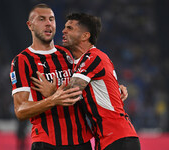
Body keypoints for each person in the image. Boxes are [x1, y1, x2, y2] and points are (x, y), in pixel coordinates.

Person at [32, 13, 140, 150]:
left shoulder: (93, 57)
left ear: (85, 36)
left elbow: (71, 93)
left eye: (70, 28)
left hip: (118, 138)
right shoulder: (84, 62)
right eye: (65, 27)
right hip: (106, 139)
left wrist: (52, 91)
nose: (63, 31)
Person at [10, 4, 94, 150]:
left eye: (51, 19)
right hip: (47, 143)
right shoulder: (22, 61)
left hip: (81, 141)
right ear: (30, 25)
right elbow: (20, 110)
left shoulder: (69, 54)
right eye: (42, 19)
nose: (48, 23)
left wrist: (115, 86)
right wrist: (52, 100)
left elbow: (89, 87)